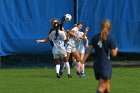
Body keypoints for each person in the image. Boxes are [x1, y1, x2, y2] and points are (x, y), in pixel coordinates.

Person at [82, 19, 118, 93]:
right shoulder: (109, 39)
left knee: (107, 88)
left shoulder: (95, 37)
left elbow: (88, 52)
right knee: (101, 88)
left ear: (101, 27)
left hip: (96, 66)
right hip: (105, 66)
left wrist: (81, 63)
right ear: (109, 28)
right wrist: (116, 49)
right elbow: (114, 54)